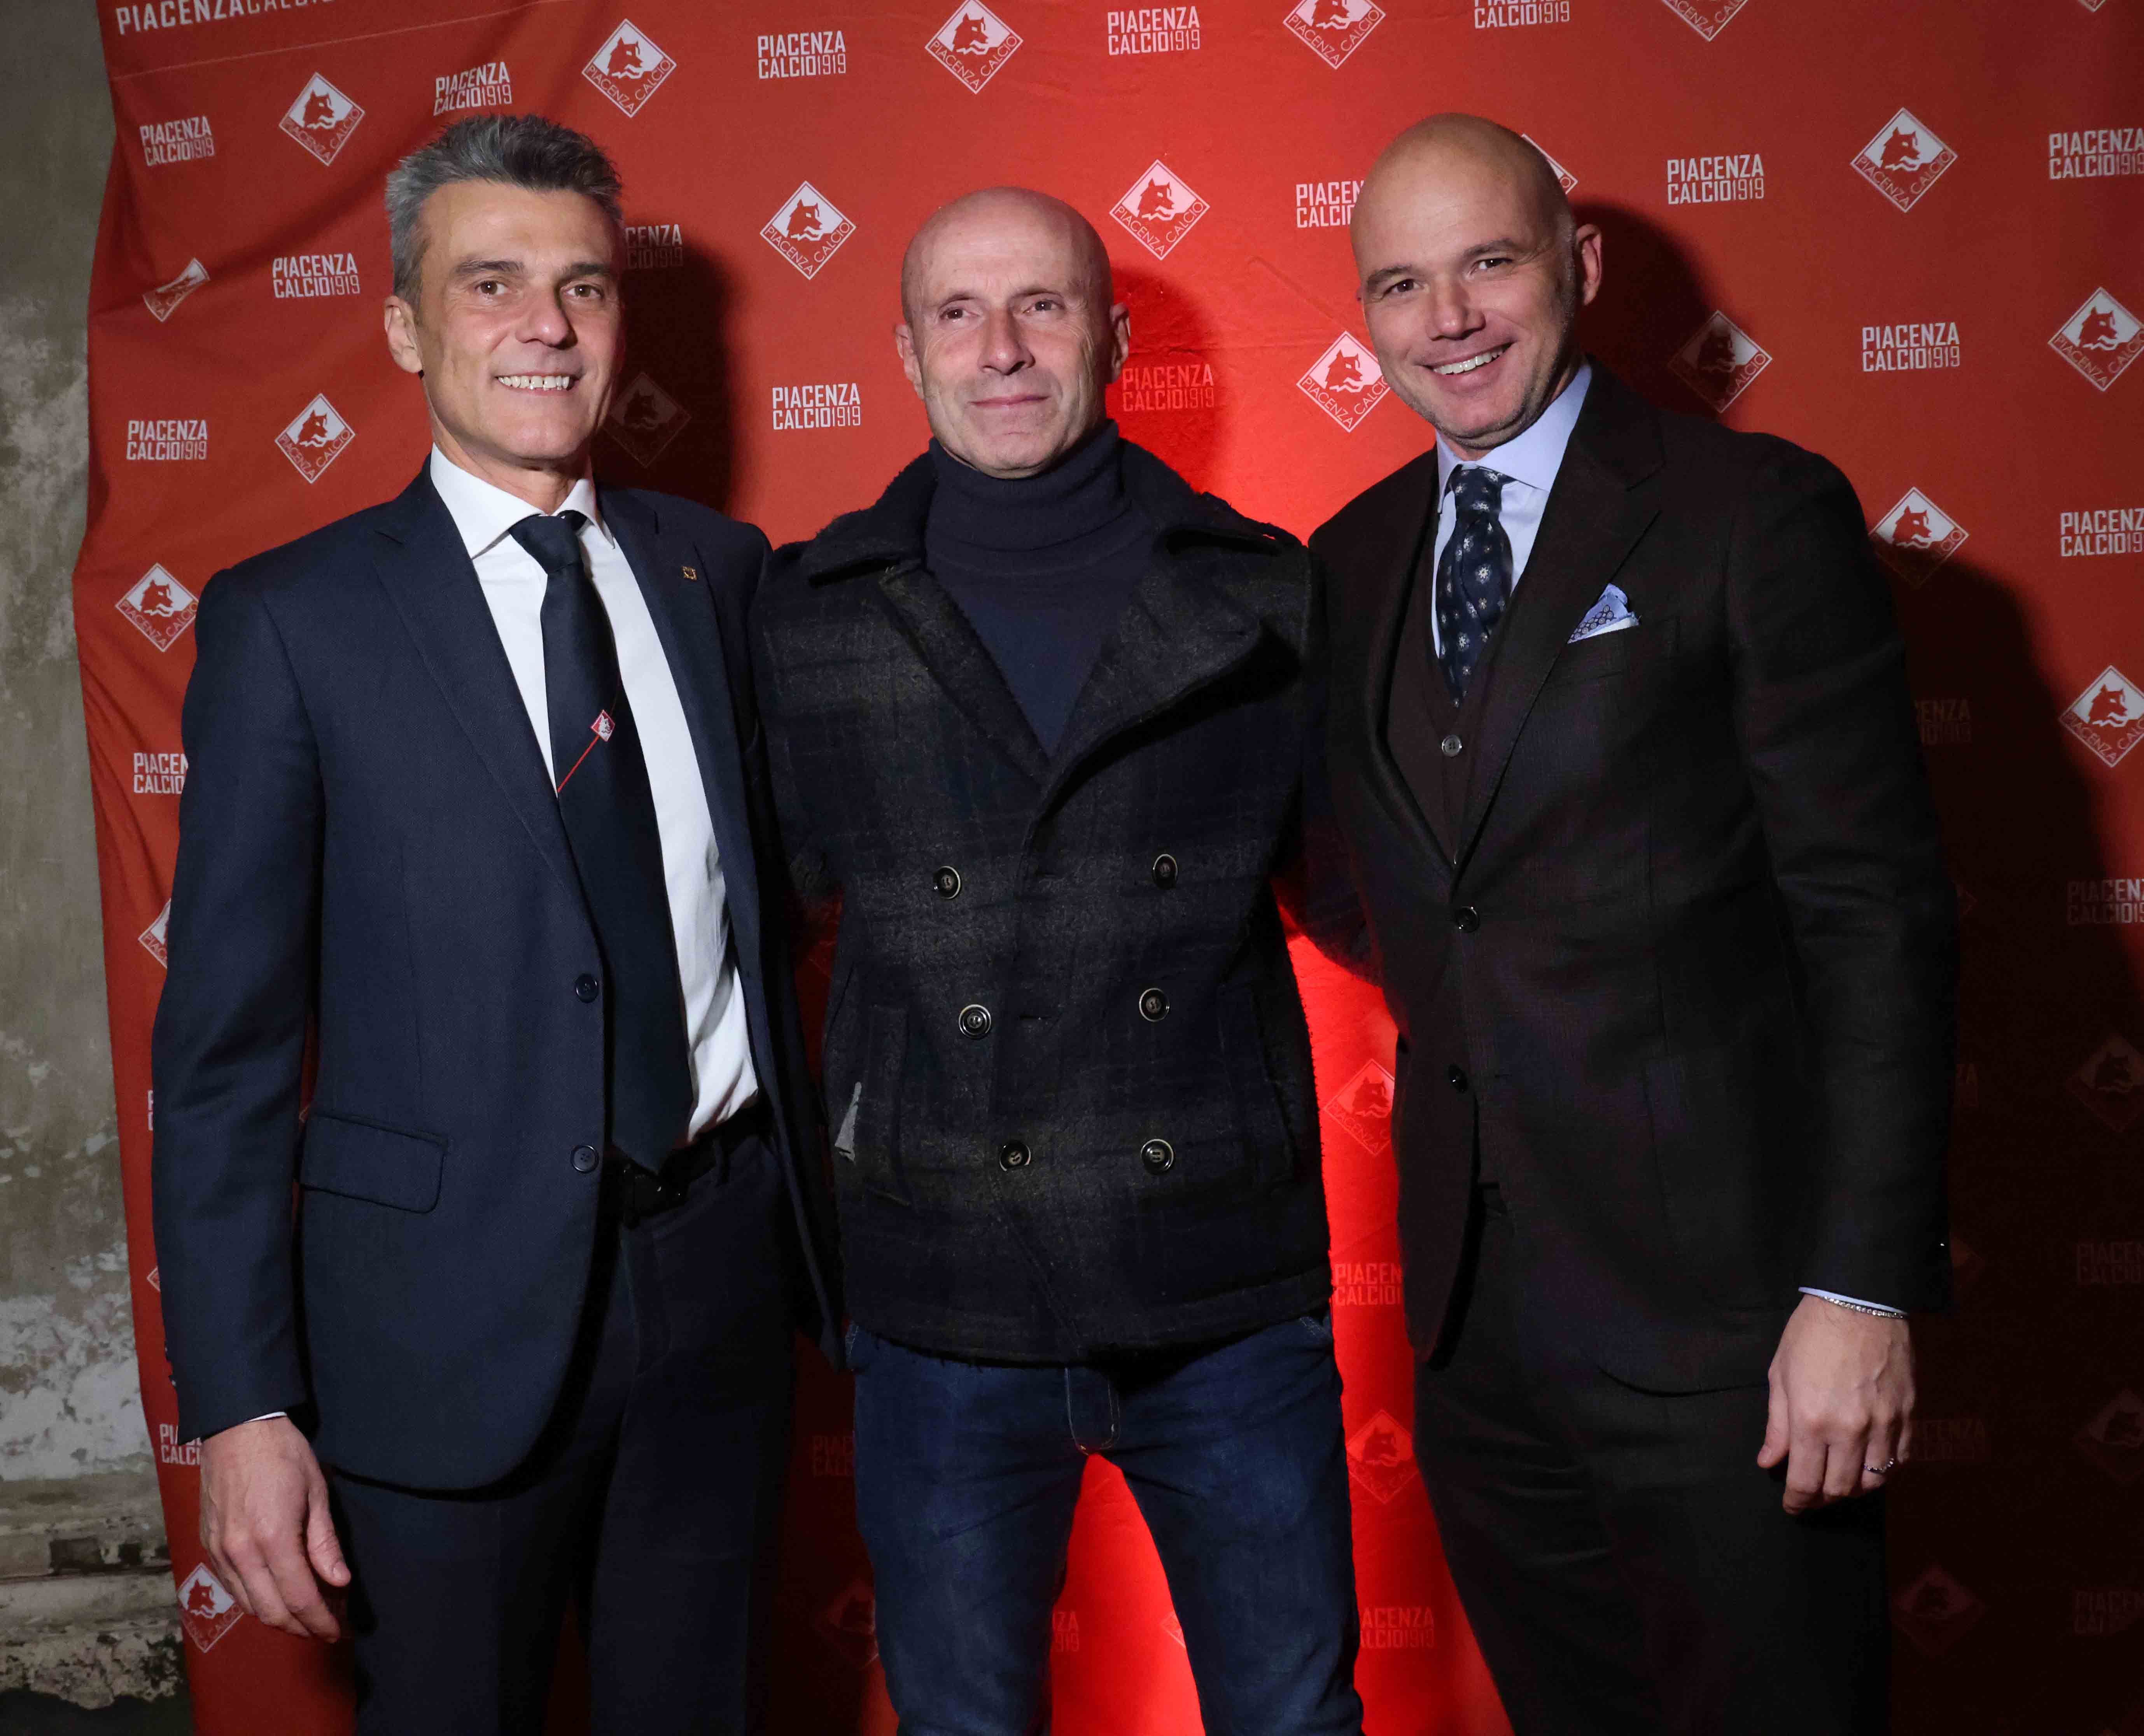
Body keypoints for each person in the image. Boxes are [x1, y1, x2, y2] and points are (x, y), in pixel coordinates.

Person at [149, 114, 836, 1735]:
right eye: (492, 283)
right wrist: (239, 1406)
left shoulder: (718, 572)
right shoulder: (295, 619)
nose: (547, 325)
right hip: (433, 1329)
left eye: (583, 286)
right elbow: (226, 1056)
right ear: (405, 328)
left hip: (718, 1288)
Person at [1309, 115, 1955, 1732]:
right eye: (1400, 283)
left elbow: (1872, 919)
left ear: (1577, 266)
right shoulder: (1349, 561)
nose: (1447, 317)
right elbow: (1395, 891)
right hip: (1476, 1346)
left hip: (1738, 1333)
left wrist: (1860, 1292)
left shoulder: (1750, 512)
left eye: (1488, 263)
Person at [753, 187, 1365, 1736]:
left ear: (1113, 334)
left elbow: (1381, 897)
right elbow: (748, 924)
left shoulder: (1265, 591)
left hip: (1220, 1279)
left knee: (1294, 1717)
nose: (1002, 350)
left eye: (1042, 306)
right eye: (957, 315)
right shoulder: (807, 616)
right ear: (907, 353)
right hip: (939, 1292)